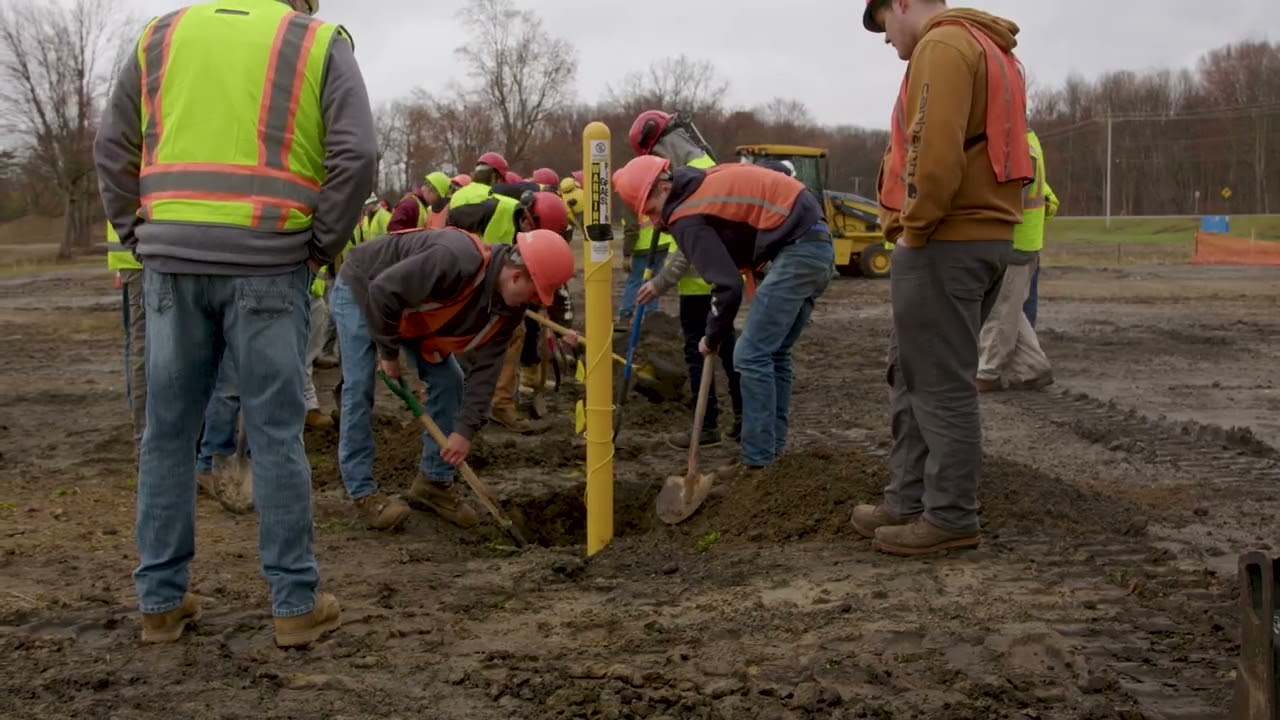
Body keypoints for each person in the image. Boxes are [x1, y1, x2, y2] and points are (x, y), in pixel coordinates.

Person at [94, 0, 378, 646]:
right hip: (270, 260)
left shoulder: (160, 35)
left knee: (166, 433)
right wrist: (318, 245)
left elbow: (112, 145)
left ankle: (160, 603)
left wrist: (140, 235)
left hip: (172, 263)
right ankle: (294, 605)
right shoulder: (317, 41)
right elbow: (358, 154)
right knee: (276, 433)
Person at [852, 0, 1033, 557]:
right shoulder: (991, 48)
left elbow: (934, 149)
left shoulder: (944, 45)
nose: (886, 40)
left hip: (944, 238)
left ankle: (951, 516)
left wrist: (915, 226)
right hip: (977, 236)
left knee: (937, 384)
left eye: (883, 24)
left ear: (902, 4)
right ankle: (906, 500)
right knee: (914, 374)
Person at [328, 227, 575, 531]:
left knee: (449, 380)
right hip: (365, 288)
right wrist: (389, 354)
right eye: (535, 295)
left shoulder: (508, 310)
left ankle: (433, 481)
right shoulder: (455, 259)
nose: (533, 304)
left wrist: (464, 431)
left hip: (412, 310)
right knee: (360, 387)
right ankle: (363, 492)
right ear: (515, 276)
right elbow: (383, 292)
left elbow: (486, 372)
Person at [612, 157, 834, 472]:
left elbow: (727, 285)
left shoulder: (686, 215)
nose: (656, 222)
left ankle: (757, 463)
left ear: (664, 187)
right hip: (816, 245)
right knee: (775, 352)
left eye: (651, 211)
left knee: (750, 354)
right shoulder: (700, 184)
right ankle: (773, 456)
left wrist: (711, 336)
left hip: (795, 250)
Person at [629, 109, 742, 448]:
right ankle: (741, 419)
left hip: (708, 281)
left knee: (706, 352)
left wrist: (660, 282)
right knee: (727, 351)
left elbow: (690, 246)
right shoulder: (702, 167)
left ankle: (710, 426)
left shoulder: (696, 175)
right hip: (708, 279)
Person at [448, 189, 573, 432]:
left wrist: (561, 324)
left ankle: (499, 403)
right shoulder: (492, 210)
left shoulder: (530, 236)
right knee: (461, 339)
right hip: (464, 282)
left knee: (515, 332)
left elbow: (550, 281)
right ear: (527, 219)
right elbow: (449, 233)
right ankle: (454, 403)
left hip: (500, 285)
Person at [977, 128, 1056, 392]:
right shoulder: (1029, 140)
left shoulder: (1018, 147)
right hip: (1024, 243)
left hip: (1015, 243)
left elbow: (1011, 200)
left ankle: (988, 373)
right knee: (1009, 309)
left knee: (1000, 310)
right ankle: (1034, 367)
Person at [106, 221, 146, 455]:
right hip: (147, 255)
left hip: (134, 254)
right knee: (145, 350)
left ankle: (143, 438)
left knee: (137, 347)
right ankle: (146, 447)